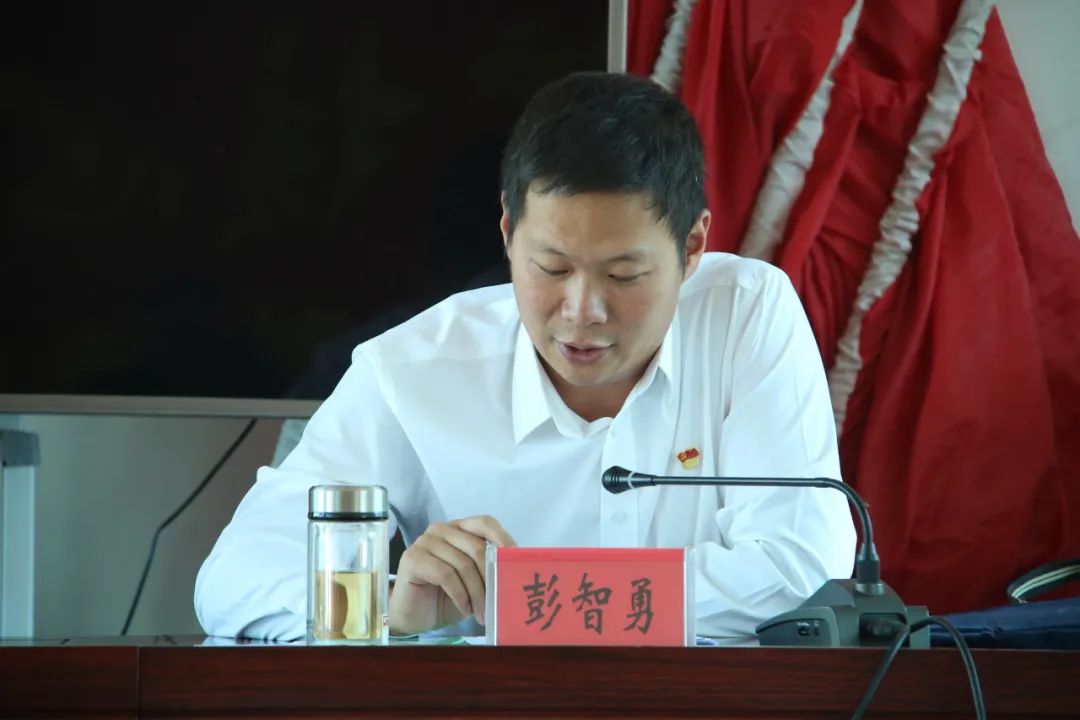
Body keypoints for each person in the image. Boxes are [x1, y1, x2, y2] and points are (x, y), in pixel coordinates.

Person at [195, 71, 856, 640]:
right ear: (509, 233)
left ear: (692, 248)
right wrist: (383, 611)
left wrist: (526, 597)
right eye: (551, 268)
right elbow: (235, 579)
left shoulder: (744, 314)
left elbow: (803, 568)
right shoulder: (413, 369)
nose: (582, 310)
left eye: (623, 275)